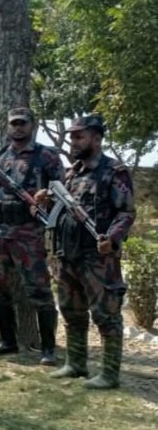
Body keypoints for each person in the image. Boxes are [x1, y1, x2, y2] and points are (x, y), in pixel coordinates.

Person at [35, 114, 135, 389]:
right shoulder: (71, 173)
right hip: (67, 253)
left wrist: (112, 239)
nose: (74, 142)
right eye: (72, 137)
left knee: (106, 314)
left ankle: (109, 374)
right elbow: (63, 207)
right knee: (71, 310)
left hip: (98, 256)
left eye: (79, 136)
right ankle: (76, 363)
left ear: (97, 138)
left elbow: (126, 212)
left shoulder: (114, 172)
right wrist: (45, 200)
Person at [0, 107, 65, 365]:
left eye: (23, 123)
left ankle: (48, 348)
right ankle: (8, 341)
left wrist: (44, 196)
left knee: (39, 290)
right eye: (14, 123)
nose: (18, 127)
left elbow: (62, 191)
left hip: (29, 233)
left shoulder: (47, 156)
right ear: (7, 127)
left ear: (32, 125)